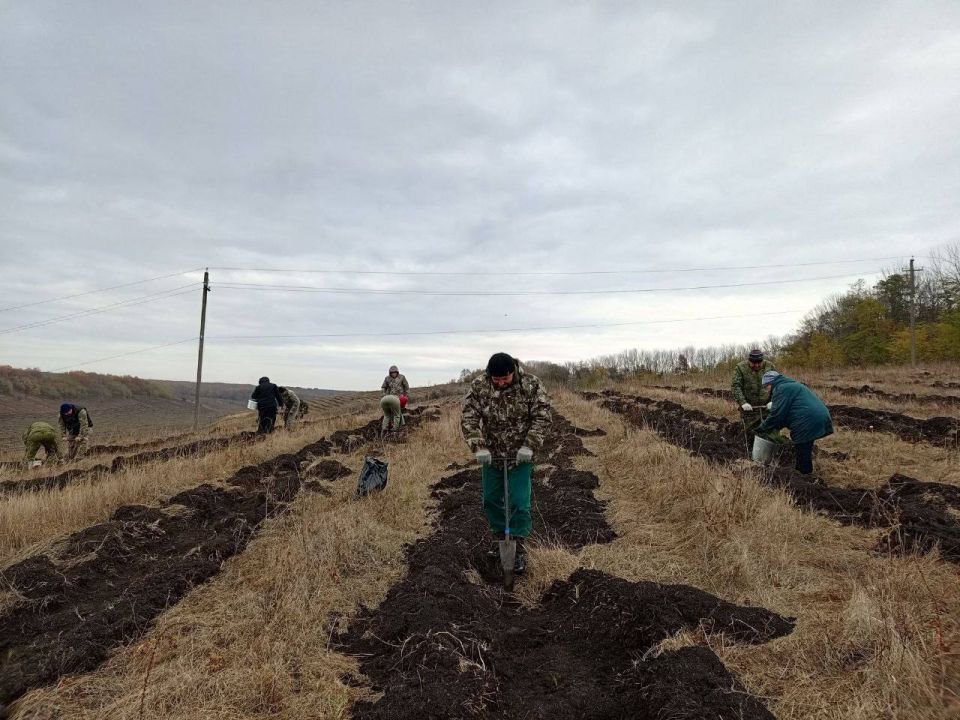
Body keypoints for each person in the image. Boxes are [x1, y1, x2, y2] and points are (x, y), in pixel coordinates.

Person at [461, 352, 552, 575]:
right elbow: (469, 417)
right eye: (496, 380)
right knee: (491, 500)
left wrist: (529, 445)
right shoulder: (480, 386)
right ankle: (502, 540)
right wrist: (478, 446)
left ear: (513, 371)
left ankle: (518, 547)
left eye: (505, 379)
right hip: (491, 455)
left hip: (521, 456)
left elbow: (542, 416)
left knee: (519, 502)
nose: (501, 383)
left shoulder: (531, 385)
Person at [756, 371, 834, 475]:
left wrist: (762, 428)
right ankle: (804, 474)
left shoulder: (781, 389)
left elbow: (777, 415)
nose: (766, 390)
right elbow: (785, 414)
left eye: (766, 386)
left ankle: (804, 477)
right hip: (819, 415)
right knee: (805, 448)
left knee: (802, 451)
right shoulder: (791, 384)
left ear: (772, 383)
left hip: (807, 419)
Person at [731, 348, 777, 452]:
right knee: (750, 433)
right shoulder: (740, 368)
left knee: (771, 431)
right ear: (749, 361)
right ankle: (751, 455)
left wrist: (773, 400)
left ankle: (772, 453)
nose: (756, 365)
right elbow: (735, 386)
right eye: (753, 363)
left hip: (767, 407)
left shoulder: (770, 367)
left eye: (759, 363)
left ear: (763, 361)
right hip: (749, 409)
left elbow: (777, 384)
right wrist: (743, 402)